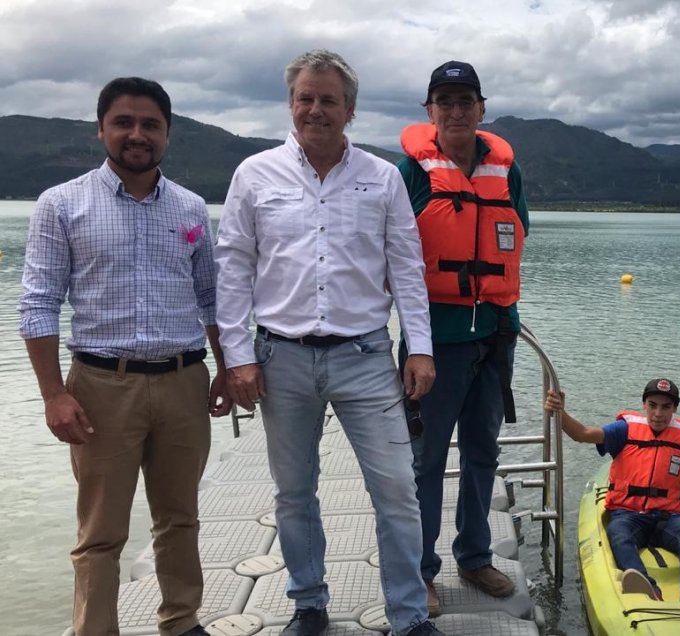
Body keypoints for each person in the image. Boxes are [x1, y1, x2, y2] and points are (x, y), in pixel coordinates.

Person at [214, 50, 441, 636]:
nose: (315, 109)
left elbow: (407, 268)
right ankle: (309, 604)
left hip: (365, 355)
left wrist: (420, 347)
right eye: (305, 98)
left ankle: (410, 616)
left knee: (396, 489)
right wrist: (236, 357)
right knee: (293, 492)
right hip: (279, 356)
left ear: (351, 109)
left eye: (328, 99)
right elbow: (234, 268)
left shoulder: (382, 176)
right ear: (291, 104)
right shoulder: (254, 174)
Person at [19, 77, 229, 636]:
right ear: (102, 129)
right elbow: (38, 304)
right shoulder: (61, 205)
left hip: (184, 381)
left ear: (167, 134)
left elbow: (210, 297)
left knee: (180, 519)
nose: (137, 135)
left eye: (150, 125)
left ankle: (181, 622)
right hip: (100, 386)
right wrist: (52, 395)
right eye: (124, 122)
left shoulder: (189, 208)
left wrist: (227, 368)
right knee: (101, 531)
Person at [396, 60, 529, 613]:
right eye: (443, 101)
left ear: (481, 109)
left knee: (483, 451)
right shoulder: (411, 172)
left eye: (465, 101)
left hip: (496, 336)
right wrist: (416, 344)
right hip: (435, 341)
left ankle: (474, 557)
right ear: (429, 111)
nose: (455, 111)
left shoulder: (507, 171)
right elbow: (395, 255)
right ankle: (420, 571)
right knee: (425, 460)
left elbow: (516, 234)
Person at [544, 379, 680, 602]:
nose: (658, 413)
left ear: (675, 409)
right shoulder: (624, 431)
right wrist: (560, 412)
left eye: (666, 407)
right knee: (619, 535)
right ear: (644, 405)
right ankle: (646, 586)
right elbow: (582, 434)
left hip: (668, 518)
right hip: (628, 515)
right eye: (653, 405)